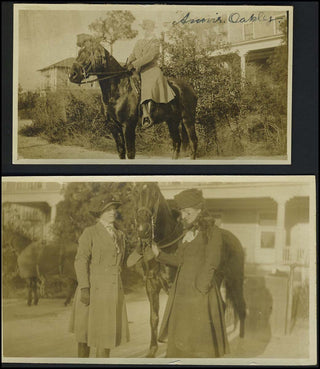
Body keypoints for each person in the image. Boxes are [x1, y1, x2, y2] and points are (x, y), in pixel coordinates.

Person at [148, 188, 229, 358]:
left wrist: (200, 288)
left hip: (200, 292)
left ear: (200, 210)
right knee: (182, 338)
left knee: (199, 342)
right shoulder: (189, 233)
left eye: (187, 212)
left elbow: (212, 262)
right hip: (182, 292)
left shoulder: (213, 232)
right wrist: (159, 254)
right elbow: (179, 260)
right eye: (182, 212)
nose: (183, 216)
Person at [69, 194, 129, 358]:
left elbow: (124, 263)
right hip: (92, 290)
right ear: (99, 213)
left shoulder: (120, 235)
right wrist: (84, 288)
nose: (112, 212)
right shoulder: (90, 233)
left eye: (114, 209)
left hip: (112, 293)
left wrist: (145, 251)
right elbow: (80, 260)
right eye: (108, 209)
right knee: (85, 337)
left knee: (105, 338)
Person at [126, 19, 175, 126]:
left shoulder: (155, 42)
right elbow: (133, 54)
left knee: (148, 87)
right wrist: (128, 62)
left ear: (152, 28)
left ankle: (147, 116)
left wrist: (134, 64)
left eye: (149, 27)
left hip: (151, 70)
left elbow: (150, 56)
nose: (147, 29)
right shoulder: (139, 42)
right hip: (139, 71)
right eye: (145, 27)